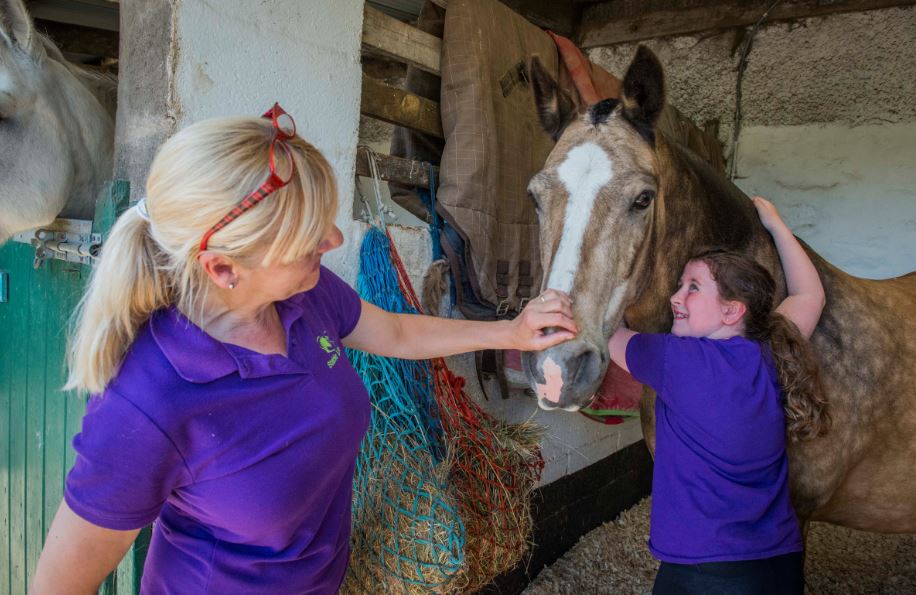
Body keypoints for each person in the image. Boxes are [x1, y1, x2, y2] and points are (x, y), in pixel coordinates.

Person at [29, 104, 578, 595]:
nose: (334, 241)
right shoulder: (147, 404)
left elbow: (397, 334)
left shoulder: (304, 297)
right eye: (309, 236)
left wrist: (509, 332)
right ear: (224, 268)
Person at [608, 196, 830, 595]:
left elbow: (605, 332)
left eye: (692, 287)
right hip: (779, 564)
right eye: (680, 284)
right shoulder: (772, 351)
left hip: (704, 572)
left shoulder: (675, 359)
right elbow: (811, 296)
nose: (675, 297)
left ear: (732, 311)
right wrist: (778, 225)